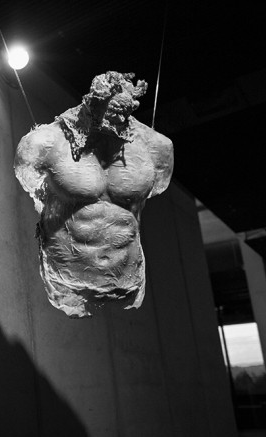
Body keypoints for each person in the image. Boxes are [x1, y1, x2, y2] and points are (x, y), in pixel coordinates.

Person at [14, 71, 174, 318]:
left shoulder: (157, 147)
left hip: (126, 277)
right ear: (91, 102)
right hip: (67, 280)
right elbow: (33, 187)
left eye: (120, 115)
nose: (111, 120)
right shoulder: (42, 143)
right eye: (105, 111)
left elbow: (156, 188)